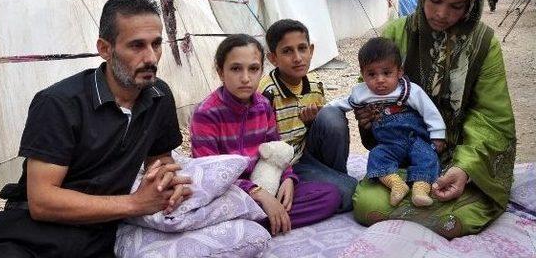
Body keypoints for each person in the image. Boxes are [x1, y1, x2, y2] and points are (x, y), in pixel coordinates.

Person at [0, 0, 192, 258]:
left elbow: (159, 165)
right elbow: (42, 202)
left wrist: (166, 186)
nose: (151, 58)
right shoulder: (59, 103)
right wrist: (135, 203)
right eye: (136, 46)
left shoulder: (158, 96)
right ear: (105, 49)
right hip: (32, 236)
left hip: (101, 235)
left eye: (156, 44)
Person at [352, 0, 516, 239]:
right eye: (435, 0)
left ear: (472, 3)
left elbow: (491, 117)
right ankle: (418, 193)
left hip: (461, 154)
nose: (442, 14)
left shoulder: (484, 44)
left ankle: (438, 193)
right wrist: (370, 113)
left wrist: (465, 169)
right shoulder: (396, 33)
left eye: (456, 6)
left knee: (457, 206)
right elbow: (370, 86)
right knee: (367, 205)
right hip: (405, 150)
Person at [190, 34, 341, 236]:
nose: (245, 78)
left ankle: (254, 226)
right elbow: (210, 175)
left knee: (330, 196)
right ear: (220, 71)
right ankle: (261, 221)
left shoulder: (262, 106)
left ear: (261, 70)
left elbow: (276, 149)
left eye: (253, 69)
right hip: (228, 193)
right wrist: (257, 193)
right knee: (204, 209)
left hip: (265, 183)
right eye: (236, 69)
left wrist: (288, 178)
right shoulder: (206, 114)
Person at [327, 37, 446, 208]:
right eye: (372, 74)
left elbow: (430, 113)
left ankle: (420, 189)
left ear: (399, 72)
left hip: (415, 139)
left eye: (386, 73)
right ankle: (396, 185)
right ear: (363, 74)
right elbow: (341, 103)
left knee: (427, 156)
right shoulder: (362, 94)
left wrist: (438, 136)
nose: (380, 80)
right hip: (389, 144)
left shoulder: (410, 91)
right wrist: (324, 109)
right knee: (376, 156)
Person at [258, 19, 357, 212]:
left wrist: (311, 123)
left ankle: (335, 177)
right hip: (282, 165)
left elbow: (324, 130)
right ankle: (324, 186)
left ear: (311, 50)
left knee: (331, 116)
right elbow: (263, 145)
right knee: (350, 193)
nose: (297, 58)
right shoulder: (266, 93)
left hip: (307, 155)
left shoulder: (315, 84)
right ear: (273, 58)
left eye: (302, 48)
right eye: (287, 51)